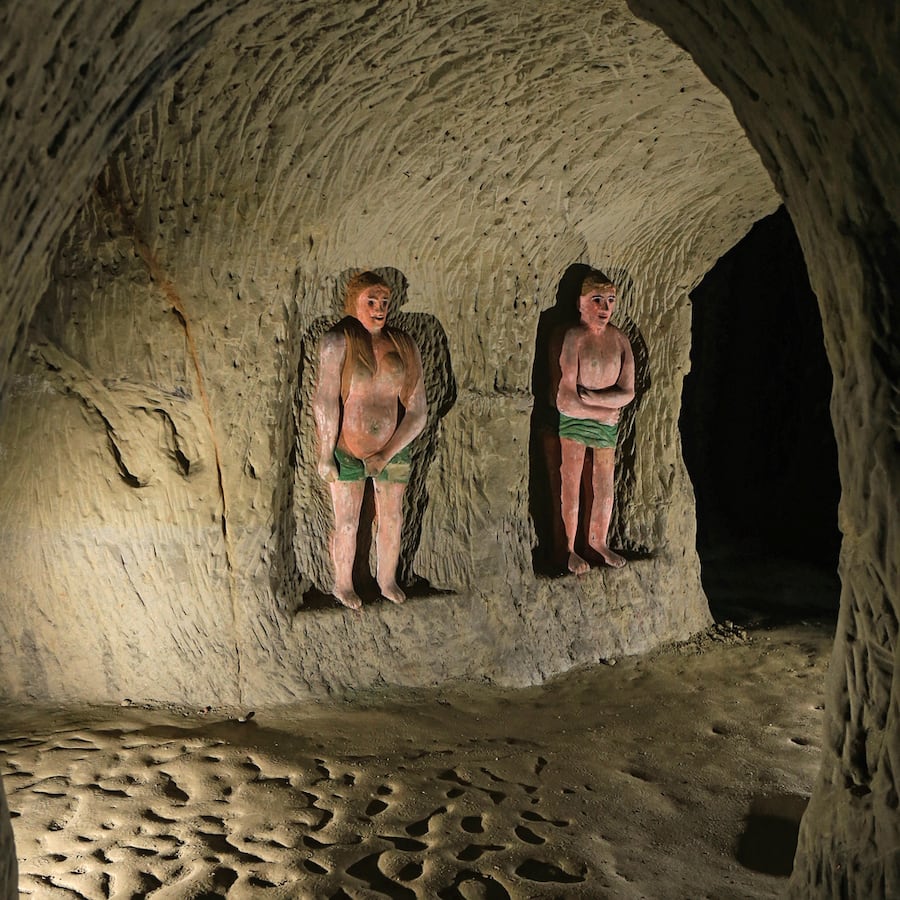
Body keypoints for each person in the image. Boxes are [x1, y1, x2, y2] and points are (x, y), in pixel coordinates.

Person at [312, 271, 427, 610]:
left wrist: (388, 452)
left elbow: (418, 410)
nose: (379, 309)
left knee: (392, 518)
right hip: (348, 448)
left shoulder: (404, 344)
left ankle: (387, 578)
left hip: (392, 449)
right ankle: (342, 583)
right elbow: (325, 399)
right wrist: (325, 452)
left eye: (384, 302)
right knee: (347, 521)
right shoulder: (339, 341)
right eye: (371, 301)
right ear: (354, 302)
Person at [553, 270, 635, 574]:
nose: (604, 308)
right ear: (581, 303)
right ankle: (569, 547)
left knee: (603, 485)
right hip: (578, 421)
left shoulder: (620, 340)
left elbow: (627, 392)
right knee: (571, 482)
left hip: (604, 424)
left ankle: (598, 541)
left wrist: (591, 399)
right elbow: (565, 400)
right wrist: (601, 410)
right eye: (597, 300)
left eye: (610, 300)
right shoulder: (575, 337)